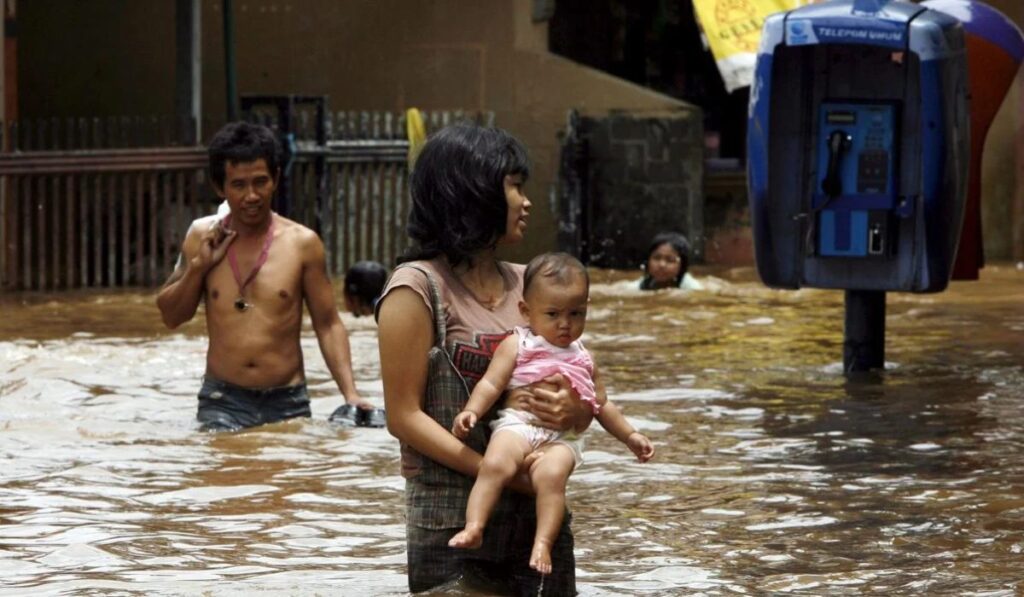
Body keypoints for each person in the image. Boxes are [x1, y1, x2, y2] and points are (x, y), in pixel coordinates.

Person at [376, 123, 593, 595]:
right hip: (451, 517)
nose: (526, 202)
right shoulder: (416, 288)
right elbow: (403, 417)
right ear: (472, 192)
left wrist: (576, 411)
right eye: (515, 186)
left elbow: (580, 393)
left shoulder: (532, 286)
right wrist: (498, 473)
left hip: (539, 519)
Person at [156, 121, 375, 431]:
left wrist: (351, 394)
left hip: (288, 400)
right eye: (239, 185)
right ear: (220, 187)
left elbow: (328, 323)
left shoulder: (303, 244)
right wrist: (198, 267)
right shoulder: (200, 238)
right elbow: (170, 316)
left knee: (286, 463)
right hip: (222, 400)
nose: (252, 195)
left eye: (260, 182)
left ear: (276, 178)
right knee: (222, 459)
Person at [448, 252, 655, 575]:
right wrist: (471, 411)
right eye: (553, 314)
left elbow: (602, 405)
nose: (565, 324)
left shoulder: (584, 357)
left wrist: (630, 436)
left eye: (576, 313)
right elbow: (491, 383)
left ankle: (542, 543)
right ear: (525, 311)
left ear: (587, 309)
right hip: (519, 424)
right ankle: (475, 526)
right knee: (495, 463)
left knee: (552, 478)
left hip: (562, 438)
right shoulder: (518, 344)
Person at [639, 231, 704, 291]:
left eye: (670, 260)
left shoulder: (692, 288)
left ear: (682, 265)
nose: (662, 265)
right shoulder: (638, 286)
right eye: (656, 258)